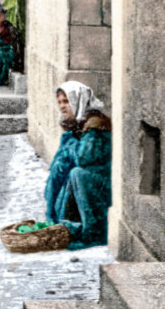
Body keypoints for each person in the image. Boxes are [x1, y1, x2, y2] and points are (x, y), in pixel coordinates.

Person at [43, 80, 112, 249]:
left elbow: (84, 158)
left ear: (79, 100)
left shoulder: (95, 124)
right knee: (61, 166)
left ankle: (93, 232)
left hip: (105, 184)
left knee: (77, 173)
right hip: (92, 181)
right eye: (59, 102)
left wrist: (72, 136)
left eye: (66, 101)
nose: (62, 107)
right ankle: (65, 225)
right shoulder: (81, 123)